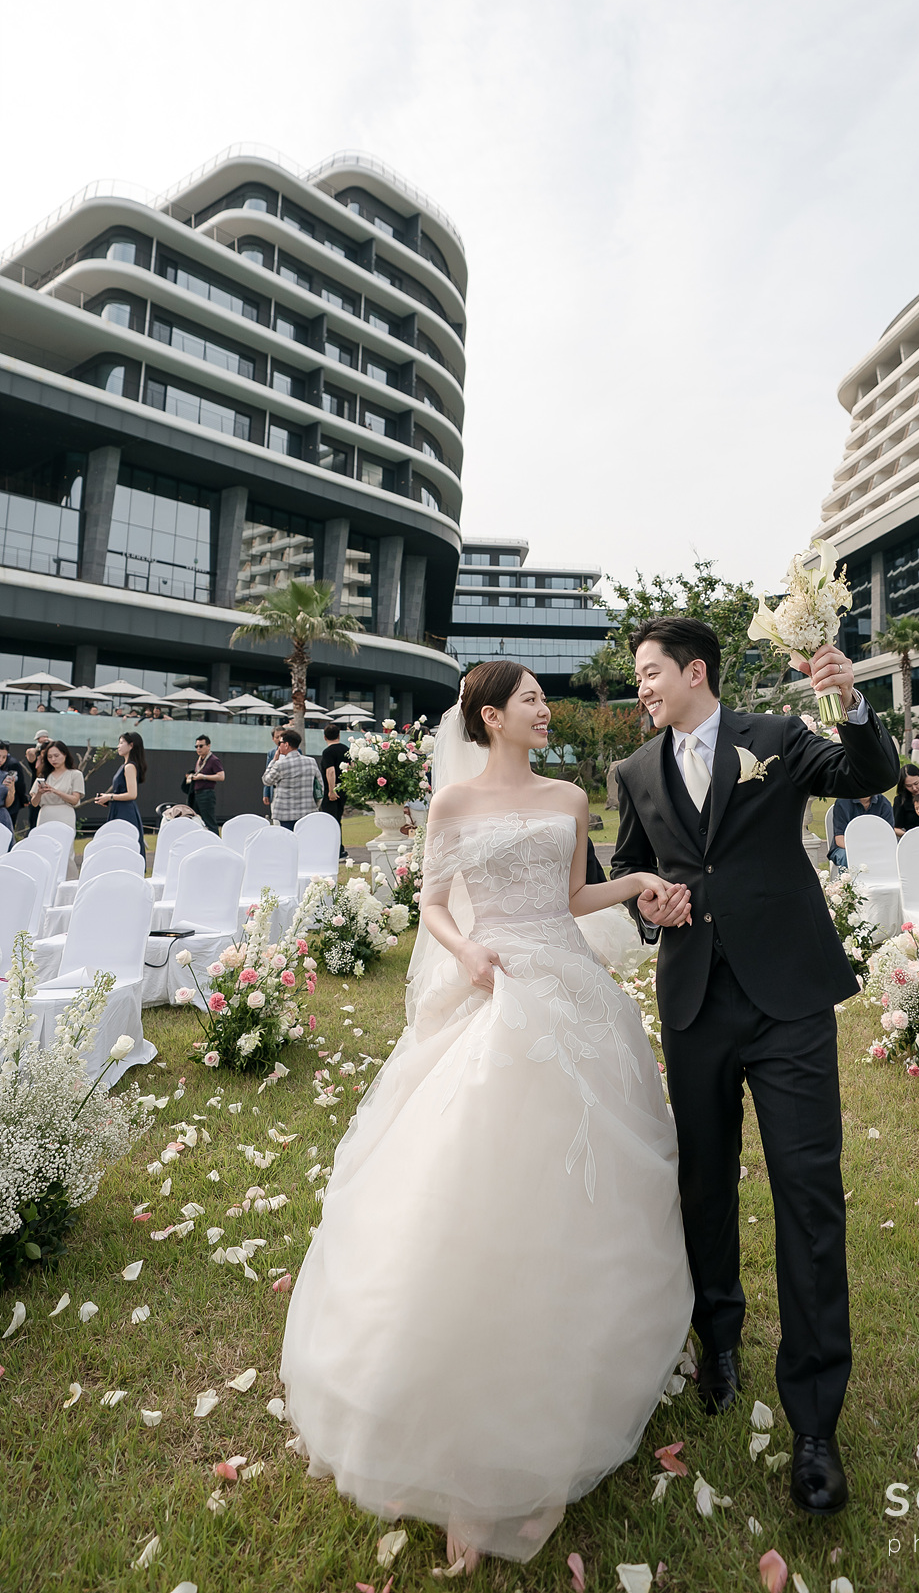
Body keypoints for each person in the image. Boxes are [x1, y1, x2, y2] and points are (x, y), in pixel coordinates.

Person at [281, 661, 693, 1571]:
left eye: (546, 699)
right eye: (535, 700)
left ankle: (581, 1356)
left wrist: (635, 888)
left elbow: (576, 896)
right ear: (491, 715)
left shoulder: (571, 796)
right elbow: (430, 902)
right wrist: (468, 952)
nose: (548, 710)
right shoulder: (454, 808)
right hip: (495, 979)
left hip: (568, 984)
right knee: (469, 1162)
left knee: (593, 1163)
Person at [613, 616, 899, 1517]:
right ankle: (719, 1339)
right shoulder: (633, 774)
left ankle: (816, 1422)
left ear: (696, 672)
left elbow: (867, 776)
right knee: (702, 1183)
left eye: (652, 674)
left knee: (808, 1192)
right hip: (695, 1006)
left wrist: (847, 701)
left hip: (789, 1003)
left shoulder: (775, 738)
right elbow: (629, 872)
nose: (643, 689)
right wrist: (649, 907)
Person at [94, 731, 147, 860]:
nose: (118, 746)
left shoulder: (129, 767)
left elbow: (132, 794)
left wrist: (110, 797)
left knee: (124, 843)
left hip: (125, 811)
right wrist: (108, 798)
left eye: (121, 743)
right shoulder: (126, 765)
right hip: (121, 808)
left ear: (131, 745)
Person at [262, 728, 317, 830]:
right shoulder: (312, 761)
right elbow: (319, 787)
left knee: (287, 840)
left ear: (286, 745)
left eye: (280, 743)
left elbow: (266, 780)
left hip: (286, 813)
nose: (279, 746)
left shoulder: (279, 764)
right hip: (307, 811)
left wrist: (274, 760)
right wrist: (315, 805)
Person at [827, 789, 894, 867]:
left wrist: (872, 851)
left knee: (890, 857)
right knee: (847, 857)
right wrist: (860, 851)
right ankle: (847, 879)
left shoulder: (884, 803)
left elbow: (888, 837)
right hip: (845, 848)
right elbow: (839, 839)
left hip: (875, 849)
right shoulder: (842, 802)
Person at [29, 741, 85, 835]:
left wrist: (55, 791)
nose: (53, 759)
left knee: (64, 843)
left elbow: (75, 800)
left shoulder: (75, 774)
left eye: (56, 755)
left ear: (65, 754)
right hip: (45, 815)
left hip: (65, 815)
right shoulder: (44, 775)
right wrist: (39, 793)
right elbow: (34, 803)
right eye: (50, 757)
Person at [320, 722, 350, 858]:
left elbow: (330, 771)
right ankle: (339, 848)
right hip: (344, 788)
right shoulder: (346, 749)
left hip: (333, 790)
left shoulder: (328, 752)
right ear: (339, 735)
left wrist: (331, 790)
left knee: (329, 820)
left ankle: (334, 850)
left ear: (325, 737)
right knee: (337, 819)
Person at [187, 734, 225, 833]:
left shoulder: (213, 760)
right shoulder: (200, 759)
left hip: (206, 794)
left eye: (201, 746)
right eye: (196, 746)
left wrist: (203, 777)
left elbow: (221, 776)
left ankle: (216, 844)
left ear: (208, 746)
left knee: (209, 822)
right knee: (196, 821)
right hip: (197, 793)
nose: (198, 749)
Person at [0, 741, 28, 836]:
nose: (1, 760)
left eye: (4, 757)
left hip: (3, 816)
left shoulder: (5, 774)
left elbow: (7, 803)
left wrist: (11, 790)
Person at [263, 725, 285, 816]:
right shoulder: (272, 753)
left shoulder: (296, 751)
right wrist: (266, 793)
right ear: (273, 739)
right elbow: (267, 772)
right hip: (275, 790)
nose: (280, 739)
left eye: (282, 736)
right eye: (277, 737)